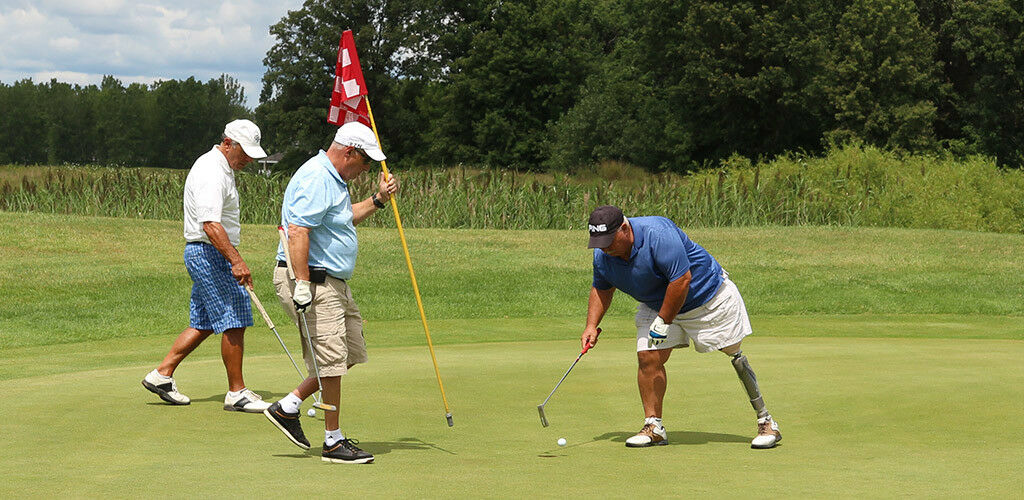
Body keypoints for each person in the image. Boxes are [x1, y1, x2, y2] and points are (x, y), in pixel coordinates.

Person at [580, 205, 782, 449]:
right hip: (656, 304)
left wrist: (664, 321)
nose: (605, 247)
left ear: (624, 227)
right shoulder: (604, 254)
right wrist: (592, 325)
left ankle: (767, 421)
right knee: (648, 357)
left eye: (609, 240)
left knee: (733, 351)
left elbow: (681, 279)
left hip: (707, 298)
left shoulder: (658, 233)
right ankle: (654, 427)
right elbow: (602, 287)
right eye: (599, 242)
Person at [263, 121, 398, 465]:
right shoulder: (317, 177)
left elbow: (342, 217)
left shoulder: (333, 180)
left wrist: (378, 200)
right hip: (313, 282)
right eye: (365, 162)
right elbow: (298, 232)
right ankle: (333, 442)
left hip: (332, 283)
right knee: (332, 360)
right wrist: (304, 285)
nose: (366, 169)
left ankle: (289, 406)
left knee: (348, 352)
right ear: (350, 152)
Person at [141, 119, 272, 414]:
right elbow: (210, 225)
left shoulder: (221, 168)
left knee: (204, 323)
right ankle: (237, 393)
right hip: (209, 251)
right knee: (235, 317)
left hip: (207, 251)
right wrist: (236, 261)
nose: (249, 160)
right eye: (245, 152)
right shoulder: (212, 171)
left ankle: (161, 375)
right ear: (228, 143)